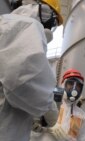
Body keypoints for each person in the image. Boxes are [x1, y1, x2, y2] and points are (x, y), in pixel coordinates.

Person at [0, 0, 63, 141]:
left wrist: (34, 119)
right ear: (45, 12)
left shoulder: (8, 22)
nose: (51, 29)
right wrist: (49, 108)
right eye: (53, 23)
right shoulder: (27, 25)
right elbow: (23, 81)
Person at [49, 68, 85, 141]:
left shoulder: (80, 115)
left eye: (78, 86)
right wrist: (49, 127)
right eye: (71, 84)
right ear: (63, 85)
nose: (74, 88)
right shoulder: (51, 104)